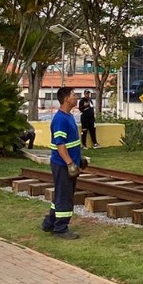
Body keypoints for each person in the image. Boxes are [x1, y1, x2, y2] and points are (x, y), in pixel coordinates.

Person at [41, 86, 82, 239]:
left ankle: (49, 223)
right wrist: (70, 163)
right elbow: (60, 144)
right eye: (73, 95)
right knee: (65, 197)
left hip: (68, 162)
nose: (76, 97)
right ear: (66, 99)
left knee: (60, 195)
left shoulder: (68, 116)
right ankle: (61, 228)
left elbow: (72, 142)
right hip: (62, 165)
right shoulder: (60, 120)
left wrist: (80, 158)